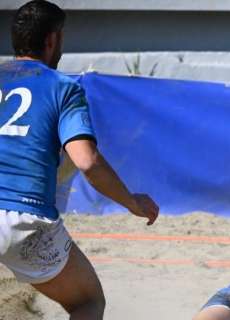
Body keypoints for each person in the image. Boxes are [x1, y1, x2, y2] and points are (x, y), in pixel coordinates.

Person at [0, 1, 159, 319]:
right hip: (23, 217)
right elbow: (87, 162)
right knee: (88, 302)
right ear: (52, 40)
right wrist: (131, 202)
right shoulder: (62, 88)